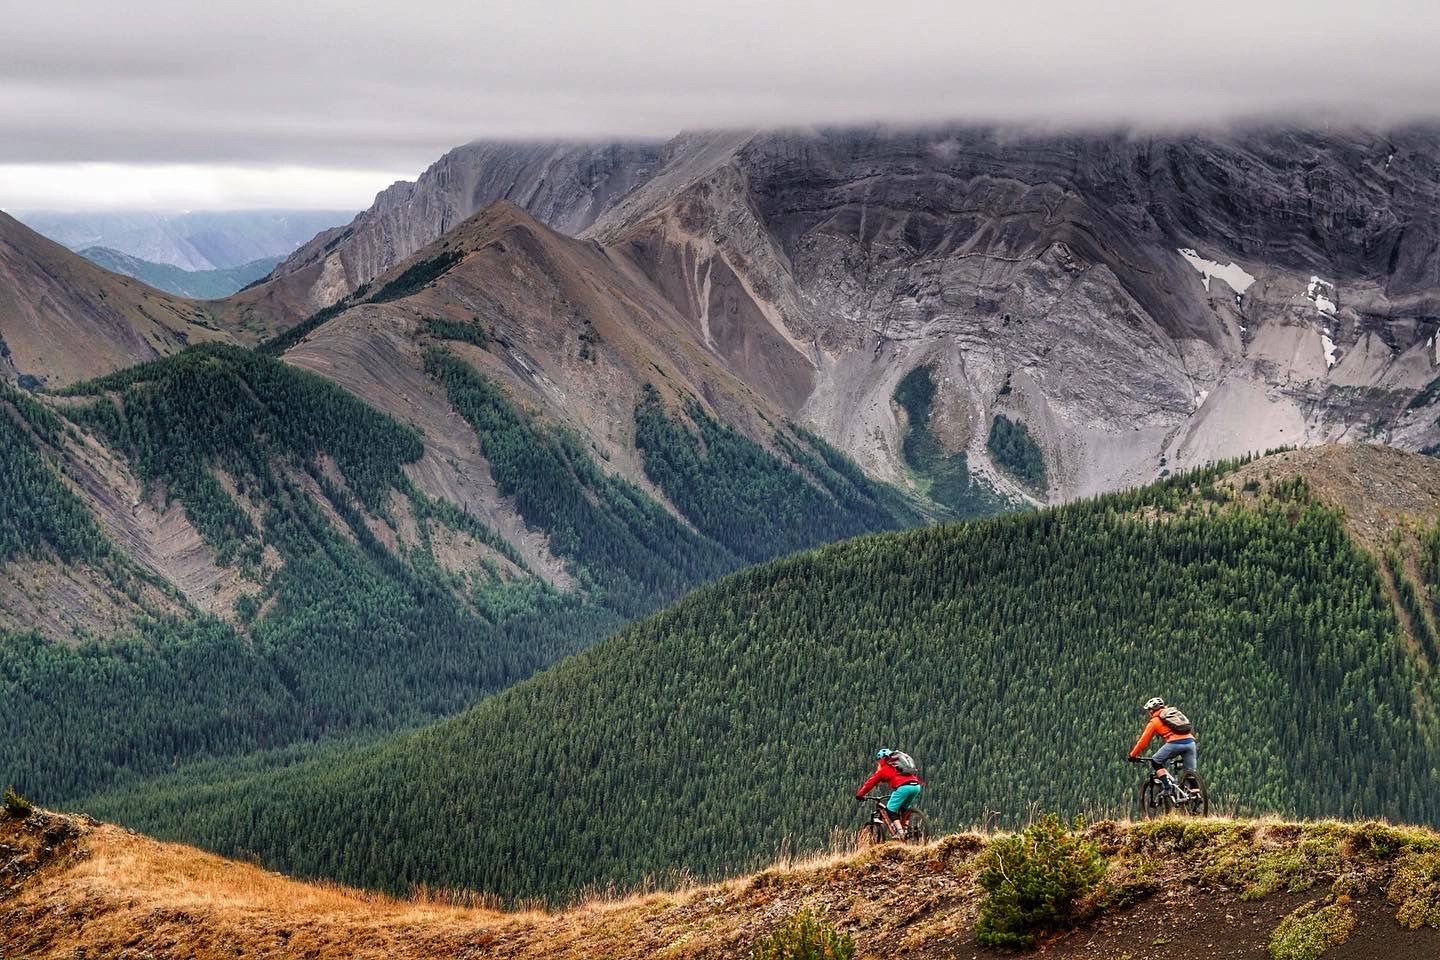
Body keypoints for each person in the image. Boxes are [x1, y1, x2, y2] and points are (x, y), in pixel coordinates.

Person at [1128, 696, 1197, 794]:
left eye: (1149, 710)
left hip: (1175, 744)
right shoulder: (1174, 714)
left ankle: (1167, 787)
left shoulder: (1154, 721)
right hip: (1190, 743)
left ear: (1152, 710)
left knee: (1156, 761)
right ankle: (1196, 793)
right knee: (1190, 771)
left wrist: (1133, 755)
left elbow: (1143, 741)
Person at [855, 747, 923, 837]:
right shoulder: (900, 766)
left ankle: (900, 832)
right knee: (904, 809)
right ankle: (906, 830)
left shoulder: (883, 769)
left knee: (890, 810)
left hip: (903, 788)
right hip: (916, 786)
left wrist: (860, 794)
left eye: (878, 761)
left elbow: (870, 783)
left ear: (881, 759)